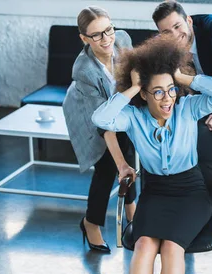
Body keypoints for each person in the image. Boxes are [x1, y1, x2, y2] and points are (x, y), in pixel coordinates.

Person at [92, 37, 212, 274]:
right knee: (143, 245)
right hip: (155, 192)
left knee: (171, 246)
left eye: (170, 91)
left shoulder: (187, 107)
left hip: (191, 193)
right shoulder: (134, 116)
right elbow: (102, 120)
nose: (167, 98)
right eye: (157, 92)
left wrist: (180, 78)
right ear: (143, 93)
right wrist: (130, 89)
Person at [62, 6, 137, 254]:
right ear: (84, 38)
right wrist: (120, 164)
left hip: (121, 107)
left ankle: (132, 213)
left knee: (129, 156)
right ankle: (91, 223)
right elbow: (104, 124)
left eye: (108, 30)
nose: (106, 39)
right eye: (96, 35)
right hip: (89, 113)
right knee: (107, 166)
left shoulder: (123, 39)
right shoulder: (84, 71)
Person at [151, 1, 212, 133]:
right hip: (193, 105)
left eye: (177, 26)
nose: (175, 36)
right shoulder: (161, 45)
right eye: (167, 33)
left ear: (189, 20)